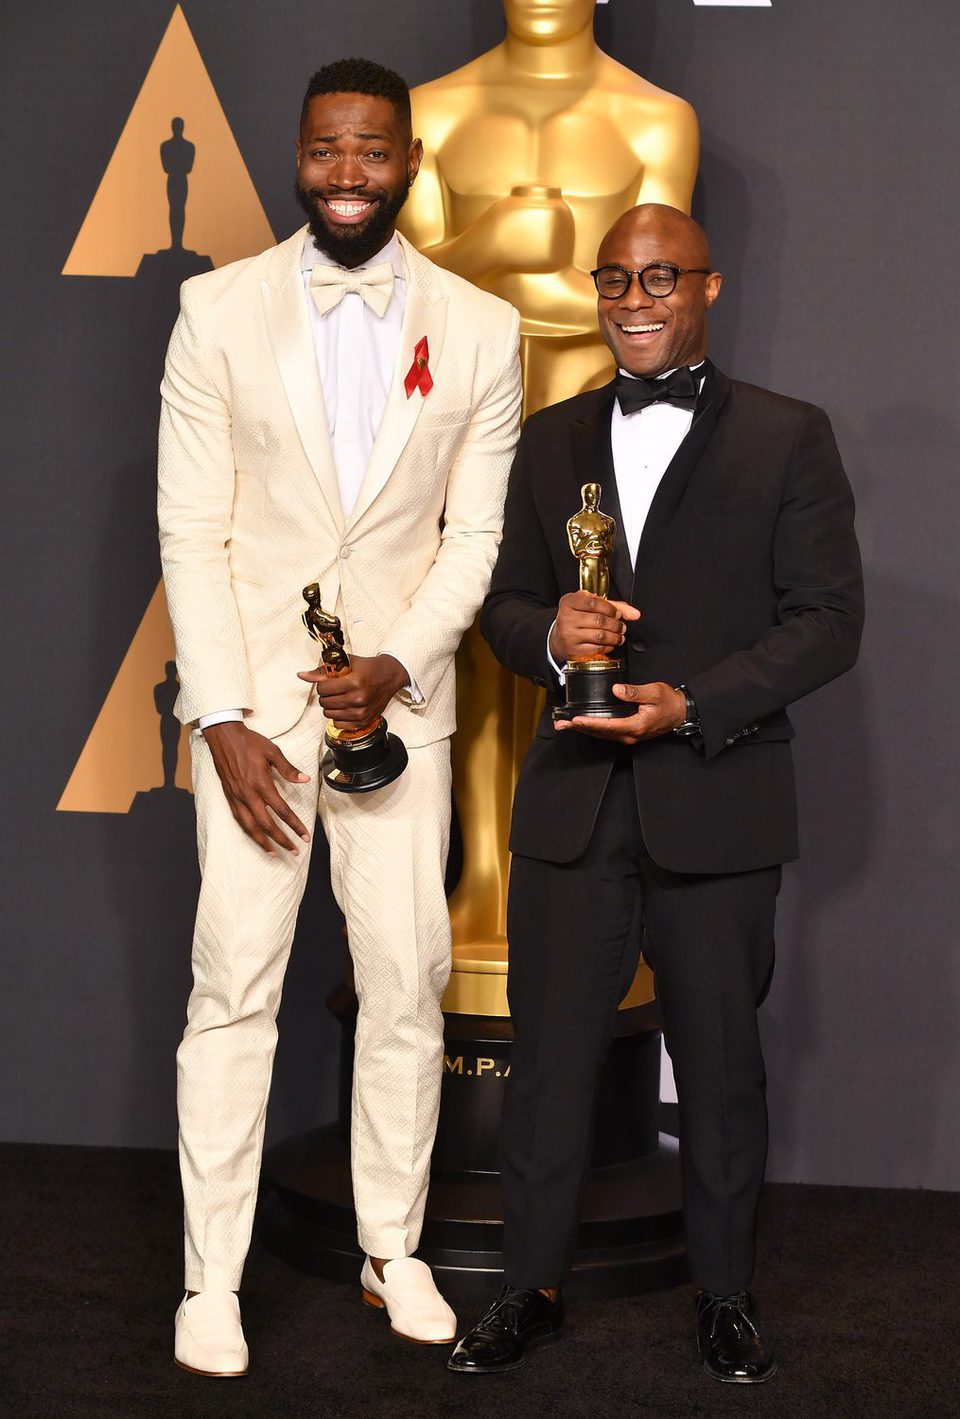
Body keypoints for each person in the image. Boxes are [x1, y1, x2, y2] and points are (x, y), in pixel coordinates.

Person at [450, 203, 863, 1383]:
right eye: (617, 279)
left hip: (716, 792)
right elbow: (502, 609)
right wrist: (547, 634)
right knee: (551, 1062)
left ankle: (724, 1294)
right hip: (574, 799)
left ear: (708, 290)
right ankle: (526, 1289)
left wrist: (694, 704)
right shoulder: (549, 438)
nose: (636, 300)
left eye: (661, 278)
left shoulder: (790, 436)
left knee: (722, 1066)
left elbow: (828, 623)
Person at [158, 57, 521, 1377]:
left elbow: (474, 534)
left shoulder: (482, 328)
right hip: (255, 712)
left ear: (409, 162)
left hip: (399, 709)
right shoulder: (215, 309)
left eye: (374, 151)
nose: (349, 172)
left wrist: (399, 658)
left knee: (408, 985)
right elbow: (191, 529)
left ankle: (393, 1246)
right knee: (233, 988)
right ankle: (212, 1277)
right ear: (297, 157)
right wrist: (221, 715)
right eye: (328, 150)